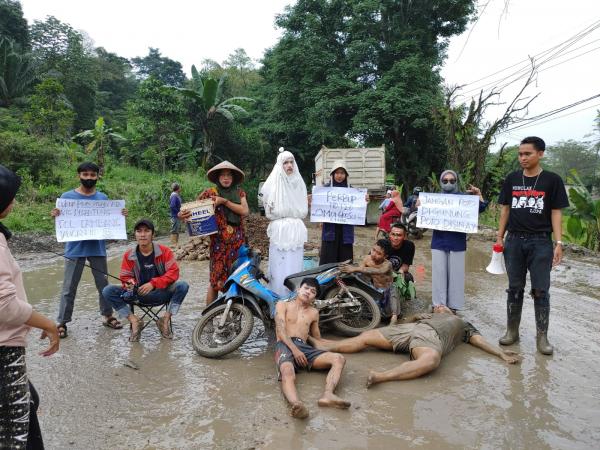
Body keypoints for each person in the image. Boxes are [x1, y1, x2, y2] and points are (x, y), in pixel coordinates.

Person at [309, 305, 520, 388]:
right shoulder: (429, 314)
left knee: (431, 361)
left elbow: (479, 341)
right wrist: (414, 316)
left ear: (450, 311)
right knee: (366, 337)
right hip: (412, 328)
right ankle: (323, 345)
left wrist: (500, 353)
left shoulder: (461, 323)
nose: (439, 306)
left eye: (442, 306)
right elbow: (402, 323)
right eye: (437, 306)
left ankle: (381, 376)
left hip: (431, 337)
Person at [1, 164, 59, 449]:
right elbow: (5, 307)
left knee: (29, 400)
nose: (14, 201)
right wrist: (47, 323)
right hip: (4, 350)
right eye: (11, 196)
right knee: (13, 432)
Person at [496, 136, 569, 355]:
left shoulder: (552, 180)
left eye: (527, 153)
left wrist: (558, 243)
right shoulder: (512, 179)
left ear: (540, 154)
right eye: (520, 154)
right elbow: (505, 210)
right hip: (514, 241)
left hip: (541, 242)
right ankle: (512, 331)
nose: (522, 158)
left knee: (540, 289)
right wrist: (500, 236)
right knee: (515, 288)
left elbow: (557, 213)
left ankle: (542, 338)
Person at [50, 161, 127, 338]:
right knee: (69, 287)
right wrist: (56, 216)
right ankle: (62, 322)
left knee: (103, 285)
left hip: (97, 248)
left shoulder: (103, 199)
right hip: (74, 249)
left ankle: (108, 316)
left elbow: (110, 227)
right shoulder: (67, 198)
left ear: (97, 176)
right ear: (79, 176)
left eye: (92, 175)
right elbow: (63, 224)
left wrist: (119, 217)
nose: (89, 178)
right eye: (85, 175)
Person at [275, 277, 350, 419]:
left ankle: (328, 395)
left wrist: (341, 345)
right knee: (287, 370)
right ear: (298, 290)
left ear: (314, 297)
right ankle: (297, 404)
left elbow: (317, 339)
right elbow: (280, 330)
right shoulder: (282, 305)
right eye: (306, 288)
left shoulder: (314, 313)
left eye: (313, 291)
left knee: (338, 359)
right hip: (285, 344)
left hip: (303, 347)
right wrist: (295, 350)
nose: (308, 292)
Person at [102, 219, 189, 341]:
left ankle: (165, 320)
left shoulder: (165, 251)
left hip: (161, 293)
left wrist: (153, 284)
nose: (142, 234)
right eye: (139, 231)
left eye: (147, 231)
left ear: (153, 235)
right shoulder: (128, 255)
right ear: (135, 235)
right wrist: (130, 284)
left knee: (183, 285)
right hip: (137, 296)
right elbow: (125, 277)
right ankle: (134, 320)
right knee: (108, 290)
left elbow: (173, 273)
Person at [179, 161, 249, 305]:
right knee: (215, 281)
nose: (226, 178)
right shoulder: (210, 193)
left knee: (237, 280)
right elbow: (193, 210)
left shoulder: (239, 192)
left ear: (233, 178)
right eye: (222, 175)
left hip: (238, 243)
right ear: (218, 178)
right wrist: (183, 214)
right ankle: (208, 319)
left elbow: (245, 211)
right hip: (218, 244)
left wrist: (224, 202)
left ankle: (234, 319)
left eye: (229, 175)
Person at [430, 170, 488, 311]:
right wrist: (419, 204)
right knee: (438, 274)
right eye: (445, 181)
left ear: (456, 182)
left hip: (457, 243)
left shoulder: (465, 199)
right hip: (438, 242)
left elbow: (481, 207)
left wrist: (478, 195)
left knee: (456, 276)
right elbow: (420, 211)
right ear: (440, 182)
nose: (448, 183)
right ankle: (439, 305)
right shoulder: (433, 199)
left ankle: (454, 306)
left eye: (452, 180)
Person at [261, 149, 308, 297]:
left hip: (295, 229)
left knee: (294, 264)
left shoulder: (299, 183)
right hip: (280, 229)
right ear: (280, 165)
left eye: (291, 162)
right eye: (285, 162)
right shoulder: (272, 184)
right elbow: (266, 200)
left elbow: (303, 205)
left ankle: (294, 298)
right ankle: (278, 297)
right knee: (279, 266)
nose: (289, 165)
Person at [340, 239, 402, 323]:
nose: (374, 254)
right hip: (374, 289)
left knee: (393, 311)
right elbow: (360, 272)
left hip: (387, 290)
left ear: (385, 256)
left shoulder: (387, 264)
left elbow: (379, 271)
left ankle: (393, 320)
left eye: (379, 253)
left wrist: (355, 268)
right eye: (373, 250)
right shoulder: (367, 259)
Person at [319, 160, 361, 265]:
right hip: (330, 228)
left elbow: (358, 206)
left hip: (345, 229)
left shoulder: (352, 191)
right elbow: (319, 207)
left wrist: (364, 200)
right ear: (332, 174)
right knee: (329, 254)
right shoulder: (325, 190)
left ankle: (344, 279)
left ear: (346, 175)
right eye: (337, 173)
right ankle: (327, 278)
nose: (339, 176)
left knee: (345, 256)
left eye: (342, 173)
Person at [169, 182, 182, 248]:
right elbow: (172, 206)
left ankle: (176, 244)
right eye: (180, 187)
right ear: (178, 188)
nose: (180, 189)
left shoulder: (175, 195)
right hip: (175, 216)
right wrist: (178, 212)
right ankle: (173, 244)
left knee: (176, 229)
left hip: (176, 216)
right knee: (174, 229)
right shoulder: (174, 195)